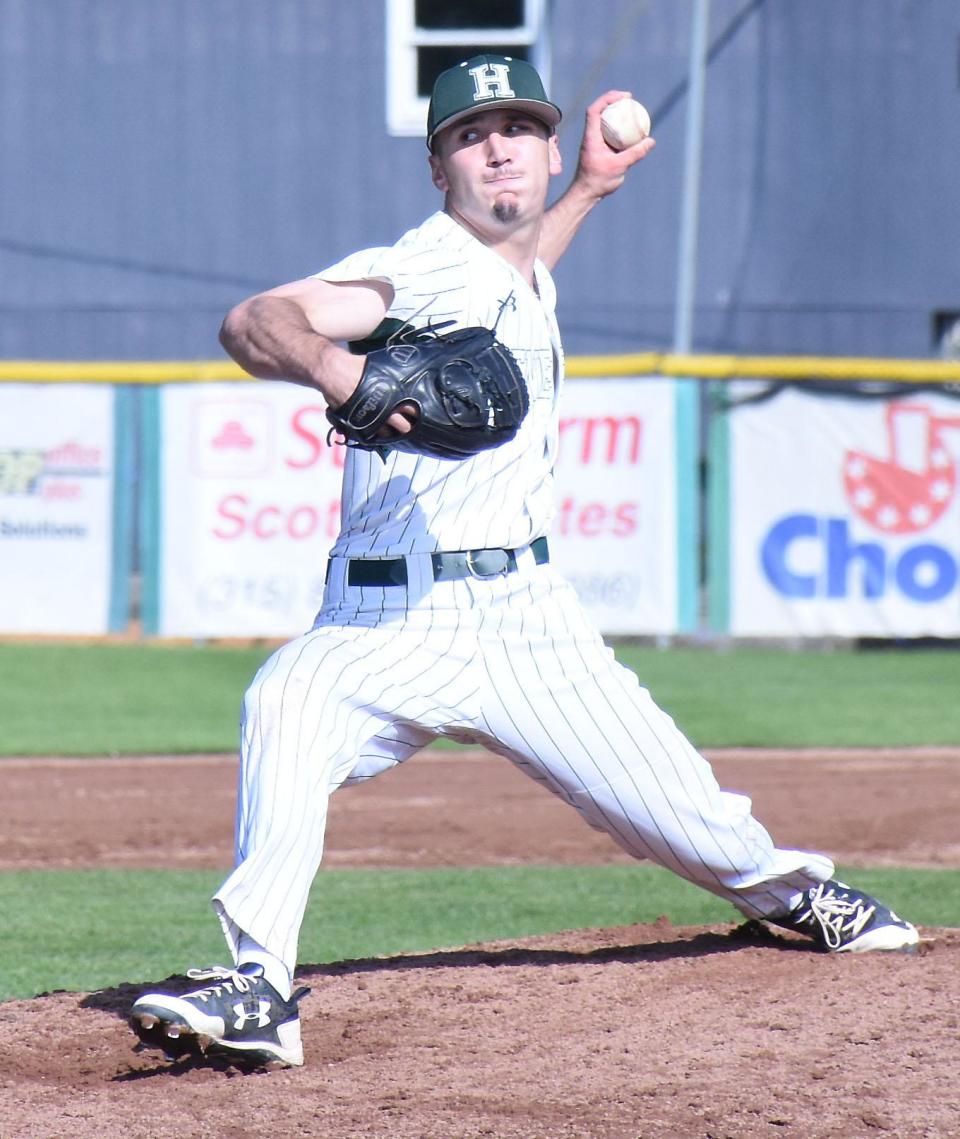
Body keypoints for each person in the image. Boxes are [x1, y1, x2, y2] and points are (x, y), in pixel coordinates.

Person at [130, 54, 918, 1071]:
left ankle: (794, 894)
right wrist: (340, 370)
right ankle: (260, 984)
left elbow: (518, 262)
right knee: (286, 694)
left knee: (689, 821)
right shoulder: (411, 268)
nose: (496, 145)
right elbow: (253, 322)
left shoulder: (517, 265)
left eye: (517, 128)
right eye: (469, 133)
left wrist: (592, 187)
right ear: (438, 169)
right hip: (385, 624)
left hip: (530, 622)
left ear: (546, 150)